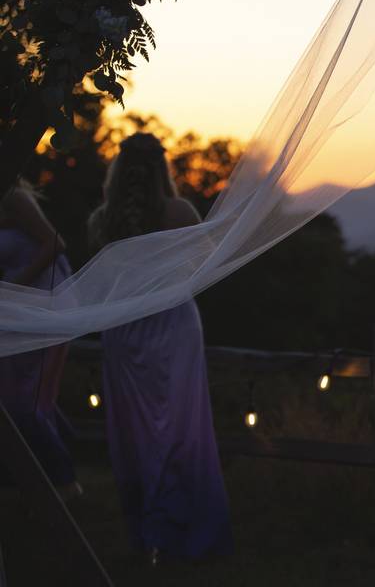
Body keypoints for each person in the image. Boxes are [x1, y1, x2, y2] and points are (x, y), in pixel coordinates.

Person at [87, 133, 232, 563]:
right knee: (181, 429)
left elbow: (104, 280)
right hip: (174, 327)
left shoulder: (100, 220)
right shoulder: (180, 211)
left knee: (135, 432)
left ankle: (148, 535)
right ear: (162, 168)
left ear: (119, 169)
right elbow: (205, 264)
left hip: (123, 331)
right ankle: (184, 533)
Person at [0, 180, 79, 497]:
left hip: (40, 306)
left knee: (26, 397)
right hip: (16, 310)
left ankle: (64, 479)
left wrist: (13, 287)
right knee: (17, 392)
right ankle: (24, 475)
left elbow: (55, 243)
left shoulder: (13, 195)